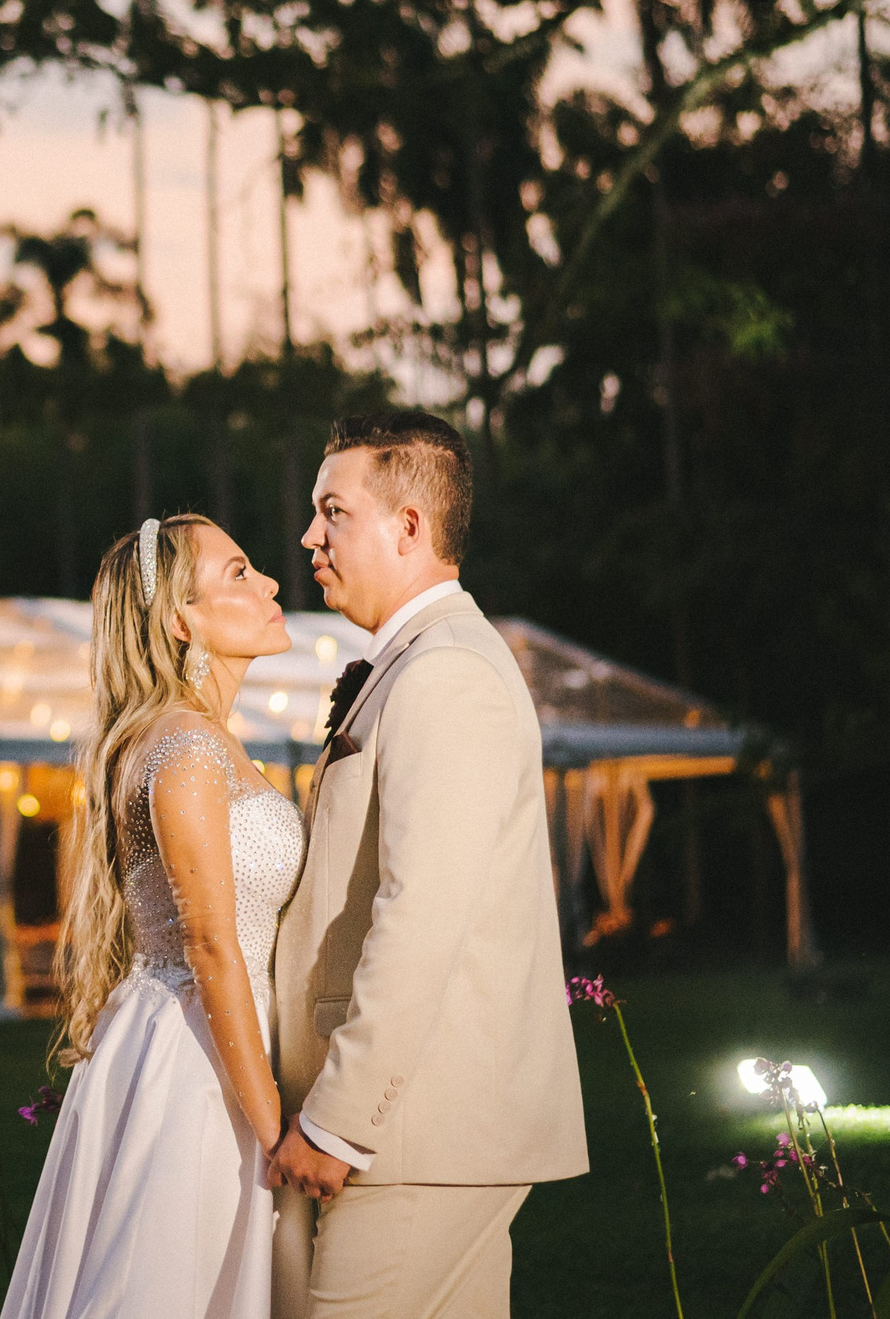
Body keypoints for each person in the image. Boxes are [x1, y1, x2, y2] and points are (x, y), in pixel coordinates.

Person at [267, 411, 589, 1318]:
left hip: (412, 1131)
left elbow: (421, 912)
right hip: (424, 1129)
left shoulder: (444, 673)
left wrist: (337, 1117)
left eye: (334, 510)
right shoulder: (417, 661)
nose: (309, 536)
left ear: (410, 525)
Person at [2, 514, 306, 1319]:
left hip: (214, 1036)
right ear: (181, 618)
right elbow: (210, 943)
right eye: (239, 573)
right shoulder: (185, 749)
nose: (271, 584)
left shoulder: (205, 740)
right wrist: (275, 1126)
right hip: (197, 1060)